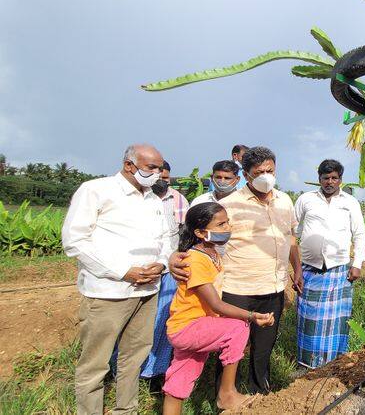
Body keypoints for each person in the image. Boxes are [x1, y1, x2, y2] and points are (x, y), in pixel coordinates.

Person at [169, 146, 301, 394]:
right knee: (232, 348)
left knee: (264, 348)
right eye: (258, 171)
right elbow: (204, 241)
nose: (265, 175)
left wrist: (298, 270)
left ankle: (260, 394)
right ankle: (226, 396)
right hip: (237, 288)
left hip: (273, 287)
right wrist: (174, 257)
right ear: (247, 174)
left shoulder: (285, 201)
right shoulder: (228, 205)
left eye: (270, 170)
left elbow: (291, 238)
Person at [62, 144, 171, 414]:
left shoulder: (154, 201)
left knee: (134, 358)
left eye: (159, 168)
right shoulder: (95, 190)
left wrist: (162, 263)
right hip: (108, 292)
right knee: (95, 363)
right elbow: (75, 241)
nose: (157, 174)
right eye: (151, 168)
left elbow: (167, 240)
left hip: (147, 292)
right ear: (129, 165)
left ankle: (127, 409)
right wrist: (123, 271)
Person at [162, 202, 274, 414]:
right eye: (221, 224)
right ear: (200, 232)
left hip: (191, 327)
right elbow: (215, 304)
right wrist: (251, 315)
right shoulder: (195, 259)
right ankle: (227, 394)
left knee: (178, 381)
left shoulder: (212, 254)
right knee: (239, 326)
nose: (227, 228)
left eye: (227, 222)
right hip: (190, 326)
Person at [293, 159, 365, 368]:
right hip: (310, 269)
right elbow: (293, 232)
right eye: (326, 178)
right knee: (309, 319)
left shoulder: (350, 202)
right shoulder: (306, 200)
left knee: (336, 321)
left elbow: (360, 235)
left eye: (334, 178)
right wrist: (294, 266)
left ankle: (335, 362)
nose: (330, 182)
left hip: (339, 270)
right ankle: (306, 363)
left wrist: (358, 262)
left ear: (340, 180)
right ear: (319, 179)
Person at [136, 161, 188, 381]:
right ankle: (126, 369)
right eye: (156, 176)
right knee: (137, 322)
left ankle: (156, 370)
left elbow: (182, 233)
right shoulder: (137, 199)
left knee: (163, 319)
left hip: (168, 269)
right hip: (139, 270)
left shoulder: (178, 199)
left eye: (165, 178)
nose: (161, 181)